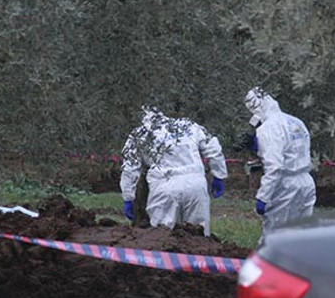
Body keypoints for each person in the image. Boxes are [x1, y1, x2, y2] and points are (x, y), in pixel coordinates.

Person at [120, 105, 227, 236]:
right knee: (199, 235)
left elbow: (129, 168)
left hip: (164, 187)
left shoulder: (139, 134)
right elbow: (213, 148)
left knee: (162, 236)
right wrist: (218, 175)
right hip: (195, 185)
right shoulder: (188, 126)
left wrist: (128, 197)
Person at [243, 86, 316, 235]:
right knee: (301, 236)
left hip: (285, 186)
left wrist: (263, 197)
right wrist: (259, 147)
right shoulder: (295, 122)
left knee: (274, 239)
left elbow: (275, 166)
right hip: (306, 182)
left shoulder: (268, 128)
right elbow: (292, 150)